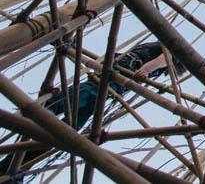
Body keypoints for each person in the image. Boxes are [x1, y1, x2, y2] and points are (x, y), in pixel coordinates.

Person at [0, 41, 185, 177]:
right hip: (121, 71)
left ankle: (15, 163)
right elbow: (164, 59)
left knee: (73, 122)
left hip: (117, 79)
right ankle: (49, 114)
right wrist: (147, 70)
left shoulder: (155, 51)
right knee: (82, 97)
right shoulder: (170, 52)